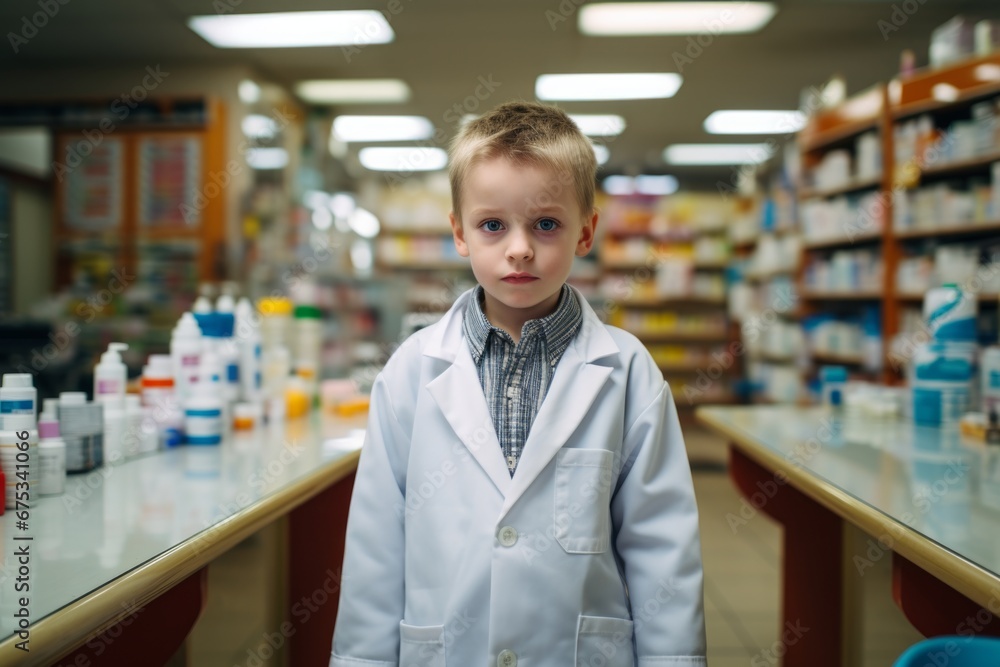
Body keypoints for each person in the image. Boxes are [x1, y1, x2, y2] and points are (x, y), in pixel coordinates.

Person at [330, 101, 706, 666]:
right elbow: (376, 549)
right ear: (460, 233)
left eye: (546, 224)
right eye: (493, 225)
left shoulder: (627, 373)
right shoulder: (411, 371)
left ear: (587, 232)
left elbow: (663, 547)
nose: (520, 248)